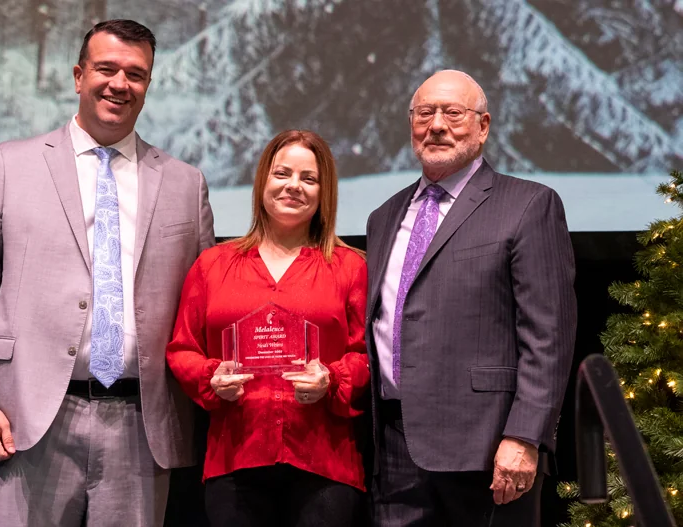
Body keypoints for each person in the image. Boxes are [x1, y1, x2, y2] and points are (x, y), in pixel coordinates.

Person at [0, 19, 215, 527]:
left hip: (142, 428)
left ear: (148, 85)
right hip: (29, 420)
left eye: (136, 74)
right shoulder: (11, 165)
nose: (120, 84)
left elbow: (204, 306)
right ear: (79, 76)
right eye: (106, 69)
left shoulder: (187, 183)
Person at [365, 69, 577, 525]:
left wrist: (524, 436)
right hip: (394, 446)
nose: (437, 124)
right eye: (425, 113)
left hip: (486, 450)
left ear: (482, 127)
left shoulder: (528, 204)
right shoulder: (383, 217)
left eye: (453, 113)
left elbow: (549, 336)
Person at [166, 130, 369, 526]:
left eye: (309, 179)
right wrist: (211, 377)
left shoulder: (350, 267)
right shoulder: (213, 265)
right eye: (282, 174)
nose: (293, 186)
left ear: (323, 192)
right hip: (235, 457)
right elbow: (181, 349)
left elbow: (368, 357)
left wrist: (332, 378)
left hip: (324, 463)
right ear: (263, 181)